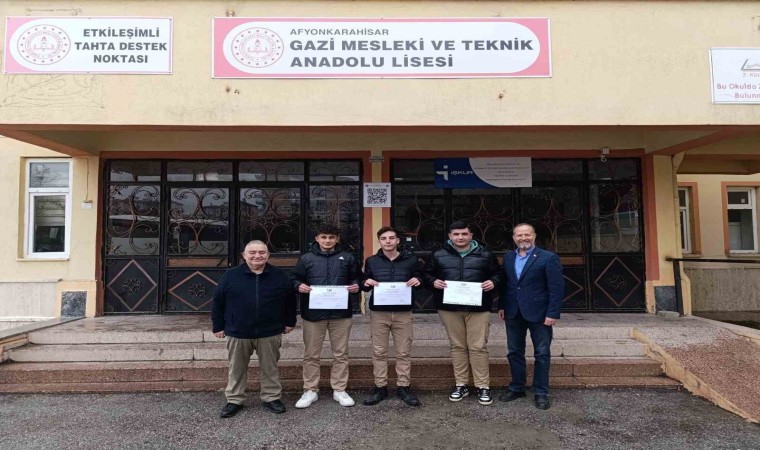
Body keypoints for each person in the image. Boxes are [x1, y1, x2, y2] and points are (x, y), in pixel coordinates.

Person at [211, 240, 296, 418]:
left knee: (270, 368)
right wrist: (218, 326)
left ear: (268, 255)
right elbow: (218, 302)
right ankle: (234, 399)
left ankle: (271, 397)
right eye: (252, 252)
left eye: (262, 252)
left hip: (269, 331)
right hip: (238, 331)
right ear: (244, 255)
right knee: (236, 368)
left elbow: (290, 301)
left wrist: (290, 322)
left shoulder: (279, 275)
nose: (257, 256)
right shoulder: (230, 275)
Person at [423, 220, 502, 405]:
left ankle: (483, 386)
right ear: (450, 236)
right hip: (449, 308)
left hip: (478, 307)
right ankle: (461, 384)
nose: (460, 237)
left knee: (478, 347)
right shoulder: (438, 254)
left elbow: (499, 274)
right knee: (457, 346)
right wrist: (433, 282)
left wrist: (494, 282)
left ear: (471, 235)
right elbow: (426, 274)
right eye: (456, 234)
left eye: (464, 234)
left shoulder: (485, 254)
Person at [291, 224, 361, 408]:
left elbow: (357, 278)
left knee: (341, 354)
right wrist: (298, 286)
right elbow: (294, 278)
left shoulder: (347, 258)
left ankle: (339, 389)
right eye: (324, 237)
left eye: (331, 237)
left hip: (341, 314)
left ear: (337, 239)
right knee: (311, 354)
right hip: (313, 314)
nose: (327, 240)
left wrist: (356, 286)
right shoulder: (306, 259)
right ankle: (310, 390)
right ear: (317, 238)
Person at [498, 223, 564, 410]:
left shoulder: (548, 258)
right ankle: (517, 387)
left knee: (542, 353)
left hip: (540, 313)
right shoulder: (508, 257)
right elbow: (506, 285)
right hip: (513, 312)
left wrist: (552, 312)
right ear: (514, 238)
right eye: (519, 235)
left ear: (534, 236)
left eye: (527, 234)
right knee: (514, 352)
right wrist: (502, 305)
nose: (523, 238)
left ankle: (541, 392)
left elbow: (557, 288)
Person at [361, 226, 423, 407]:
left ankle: (404, 387)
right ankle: (380, 387)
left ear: (397, 240)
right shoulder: (371, 261)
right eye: (384, 238)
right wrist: (366, 282)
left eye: (391, 238)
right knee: (379, 351)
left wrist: (418, 280)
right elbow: (363, 282)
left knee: (403, 352)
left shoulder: (411, 260)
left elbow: (421, 279)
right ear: (379, 241)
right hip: (379, 313)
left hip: (403, 312)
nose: (388, 241)